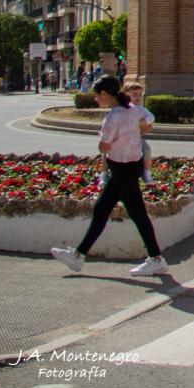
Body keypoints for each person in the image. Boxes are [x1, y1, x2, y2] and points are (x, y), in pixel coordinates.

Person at [51, 76, 168, 278]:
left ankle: (156, 259)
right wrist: (141, 127)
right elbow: (149, 120)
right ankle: (78, 255)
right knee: (102, 209)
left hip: (122, 168)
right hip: (129, 167)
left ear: (105, 94)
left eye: (97, 95)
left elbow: (103, 146)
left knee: (137, 214)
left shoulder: (113, 117)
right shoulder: (133, 109)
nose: (96, 99)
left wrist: (105, 141)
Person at [123, 80, 156, 183]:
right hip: (123, 139)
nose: (138, 97)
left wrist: (141, 122)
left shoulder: (140, 109)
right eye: (134, 94)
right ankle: (106, 173)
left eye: (140, 94)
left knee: (146, 150)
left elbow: (151, 117)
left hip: (137, 138)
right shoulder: (124, 108)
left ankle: (146, 173)